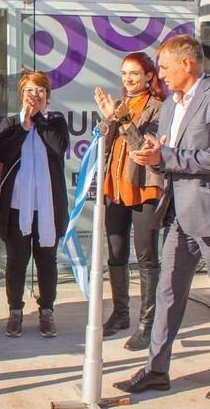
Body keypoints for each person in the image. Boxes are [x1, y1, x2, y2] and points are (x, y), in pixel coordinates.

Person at [113, 35, 210, 396]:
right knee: (168, 292)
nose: (162, 75)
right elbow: (164, 154)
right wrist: (151, 154)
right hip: (178, 215)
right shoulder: (170, 105)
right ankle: (156, 369)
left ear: (188, 63)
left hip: (207, 213)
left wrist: (166, 157)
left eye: (166, 67)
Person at [94, 52, 166, 351]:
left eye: (134, 73)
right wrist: (109, 118)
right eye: (124, 73)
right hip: (116, 188)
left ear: (149, 75)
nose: (128, 79)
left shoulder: (159, 106)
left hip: (144, 188)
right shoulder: (123, 104)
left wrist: (123, 118)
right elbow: (103, 144)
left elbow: (143, 150)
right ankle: (120, 314)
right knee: (116, 252)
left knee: (147, 256)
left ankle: (148, 324)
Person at [0, 71, 69, 339]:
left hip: (48, 207)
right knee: (16, 262)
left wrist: (38, 118)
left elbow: (58, 148)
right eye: (29, 91)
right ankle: (15, 311)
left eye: (40, 91)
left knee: (47, 260)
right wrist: (24, 126)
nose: (34, 96)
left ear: (47, 96)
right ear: (21, 95)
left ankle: (46, 311)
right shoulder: (10, 122)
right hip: (17, 207)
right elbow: (3, 153)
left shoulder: (55, 121)